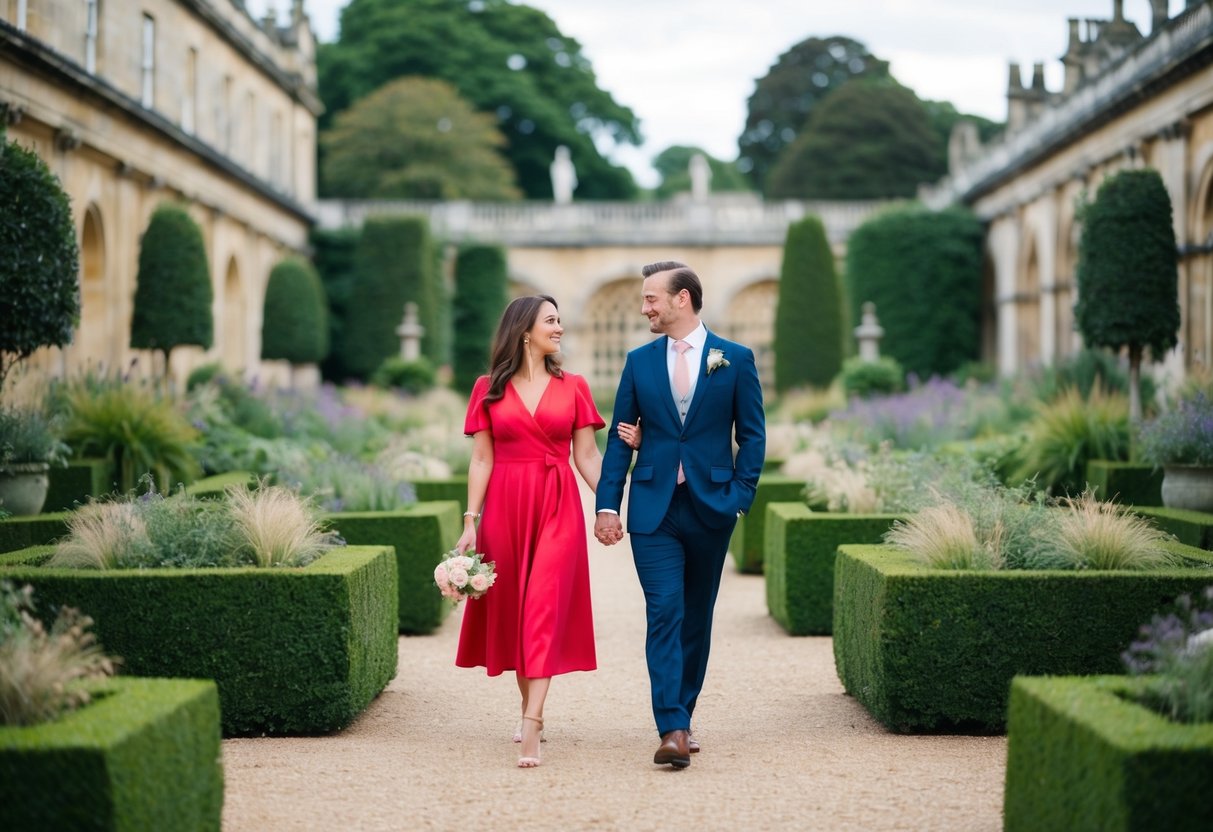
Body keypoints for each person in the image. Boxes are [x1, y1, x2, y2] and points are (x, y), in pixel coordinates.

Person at [595, 261, 766, 769]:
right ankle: (671, 726)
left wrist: (740, 494)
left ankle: (684, 713)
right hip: (653, 510)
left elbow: (752, 435)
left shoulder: (735, 359)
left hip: (713, 506)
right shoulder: (639, 362)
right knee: (664, 611)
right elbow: (618, 440)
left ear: (682, 299)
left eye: (651, 298)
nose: (644, 307)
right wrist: (608, 503)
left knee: (697, 616)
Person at [455, 294, 633, 769]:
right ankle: (528, 707)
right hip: (505, 509)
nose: (559, 328)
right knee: (516, 611)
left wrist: (610, 507)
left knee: (543, 606)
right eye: (551, 321)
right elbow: (481, 458)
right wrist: (470, 522)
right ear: (524, 330)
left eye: (559, 321)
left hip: (557, 506)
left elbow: (587, 457)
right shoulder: (486, 389)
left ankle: (533, 723)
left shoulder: (574, 386)